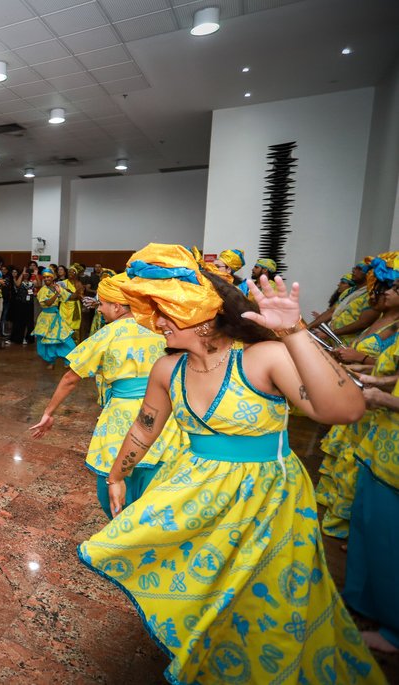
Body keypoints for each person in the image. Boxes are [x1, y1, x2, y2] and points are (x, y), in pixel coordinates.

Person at [79, 243, 386, 685]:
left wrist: (293, 332)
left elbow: (345, 409)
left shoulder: (261, 358)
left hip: (267, 501)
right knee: (205, 591)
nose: (157, 323)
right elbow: (144, 427)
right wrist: (116, 474)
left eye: (165, 312)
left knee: (266, 602)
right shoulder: (167, 369)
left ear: (204, 316)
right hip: (197, 493)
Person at [30, 272, 184, 518]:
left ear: (118, 306)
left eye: (102, 304)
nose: (99, 309)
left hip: (123, 415)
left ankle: (121, 528)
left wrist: (48, 413)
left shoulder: (108, 333)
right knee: (155, 478)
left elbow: (71, 378)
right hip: (163, 412)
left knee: (114, 479)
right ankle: (147, 528)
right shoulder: (160, 328)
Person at [317, 252, 399, 539]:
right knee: (349, 465)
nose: (385, 292)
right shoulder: (385, 320)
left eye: (393, 288)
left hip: (380, 414)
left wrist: (362, 361)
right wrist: (366, 372)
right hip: (365, 404)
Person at [347, 335, 399, 654]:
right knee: (371, 531)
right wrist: (378, 381)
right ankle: (367, 604)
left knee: (391, 546)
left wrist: (383, 399)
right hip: (384, 447)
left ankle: (394, 630)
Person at [32, 267, 76, 369]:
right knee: (48, 341)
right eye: (44, 277)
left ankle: (67, 360)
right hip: (45, 319)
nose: (46, 279)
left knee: (64, 338)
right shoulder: (43, 290)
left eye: (48, 277)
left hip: (56, 317)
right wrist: (57, 294)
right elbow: (48, 303)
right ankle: (51, 361)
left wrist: (76, 292)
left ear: (52, 278)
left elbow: (69, 296)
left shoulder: (57, 287)